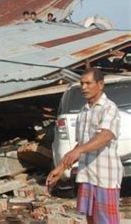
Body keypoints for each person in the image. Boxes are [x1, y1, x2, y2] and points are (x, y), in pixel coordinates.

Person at [46, 68, 122, 223]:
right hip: (87, 176)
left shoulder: (109, 108)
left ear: (100, 84)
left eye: (88, 83)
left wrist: (79, 149)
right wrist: (60, 168)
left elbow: (105, 135)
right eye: (81, 83)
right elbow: (81, 144)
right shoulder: (83, 112)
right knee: (91, 219)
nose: (83, 87)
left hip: (104, 178)